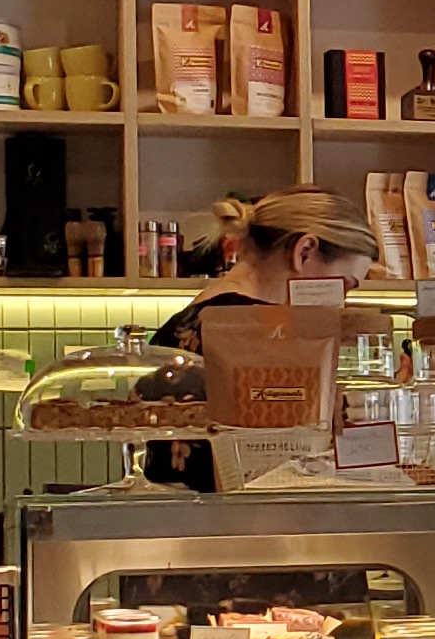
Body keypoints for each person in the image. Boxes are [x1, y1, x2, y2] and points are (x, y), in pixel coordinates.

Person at [143, 190, 385, 496]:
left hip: (171, 517)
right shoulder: (265, 335)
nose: (342, 301)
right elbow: (295, 465)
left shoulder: (182, 324)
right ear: (304, 252)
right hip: (239, 521)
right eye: (345, 284)